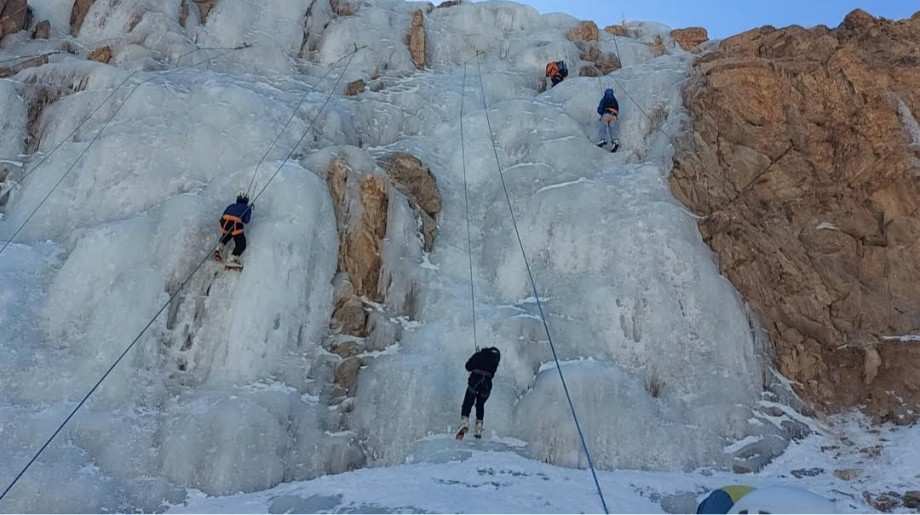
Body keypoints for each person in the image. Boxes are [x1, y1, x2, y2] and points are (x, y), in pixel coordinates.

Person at [457, 346, 501, 440]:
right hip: (487, 385)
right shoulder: (495, 361)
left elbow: (467, 366)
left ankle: (464, 422)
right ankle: (478, 427)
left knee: (468, 402)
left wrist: (476, 359)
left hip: (475, 380)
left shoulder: (479, 355)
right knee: (480, 405)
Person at [214, 193, 253, 268]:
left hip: (224, 222)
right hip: (235, 223)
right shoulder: (246, 207)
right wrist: (249, 209)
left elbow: (224, 213)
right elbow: (246, 220)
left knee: (227, 235)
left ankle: (219, 248)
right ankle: (232, 259)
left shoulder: (231, 205)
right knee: (241, 244)